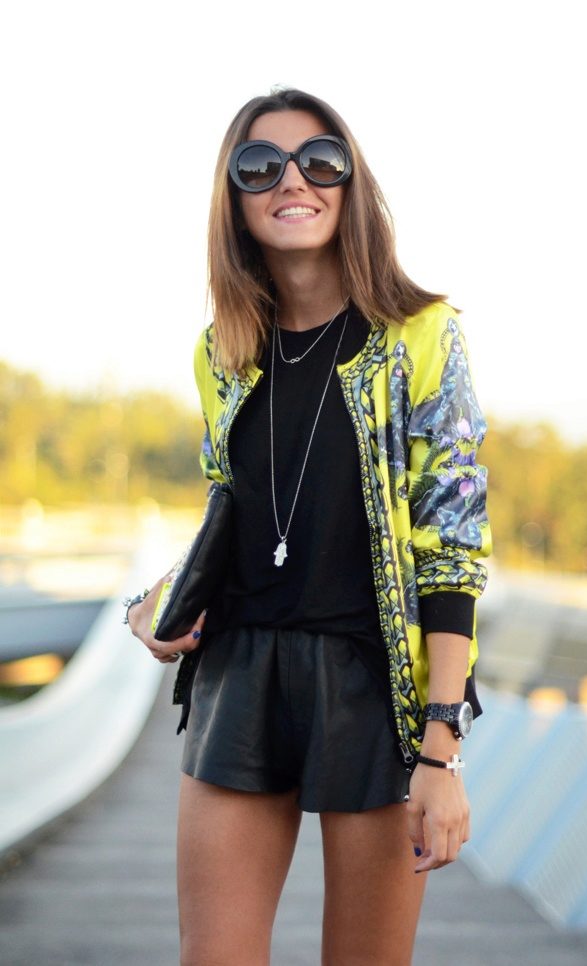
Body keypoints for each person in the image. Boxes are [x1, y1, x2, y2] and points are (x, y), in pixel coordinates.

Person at [125, 88, 491, 966]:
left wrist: (440, 753)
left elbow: (451, 552)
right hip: (240, 675)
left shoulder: (421, 337)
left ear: (350, 183)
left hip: (371, 684)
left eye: (320, 160)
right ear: (235, 199)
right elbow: (235, 509)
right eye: (261, 166)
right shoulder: (221, 351)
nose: (293, 180)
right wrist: (157, 602)